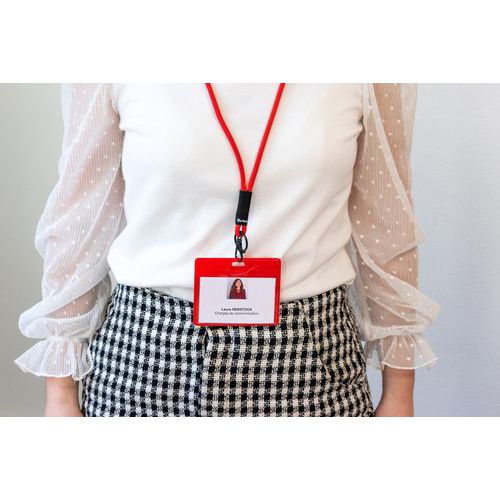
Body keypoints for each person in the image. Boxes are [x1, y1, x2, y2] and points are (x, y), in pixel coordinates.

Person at [15, 83, 441, 417]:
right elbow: (79, 220)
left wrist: (400, 391)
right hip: (145, 354)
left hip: (313, 358)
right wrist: (60, 391)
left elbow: (388, 225)